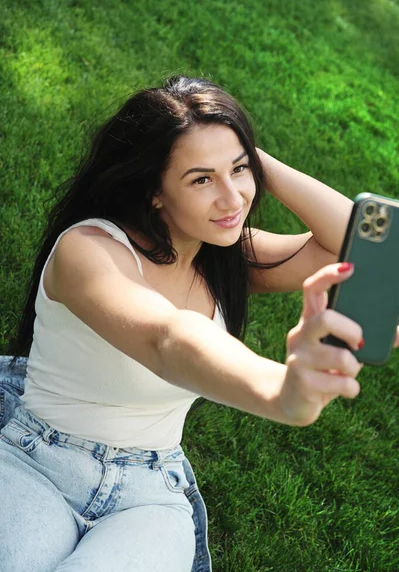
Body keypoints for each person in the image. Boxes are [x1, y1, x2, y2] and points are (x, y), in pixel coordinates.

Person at [1, 75, 397, 572]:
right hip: (37, 461)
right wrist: (282, 389)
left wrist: (246, 155)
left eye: (240, 172)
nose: (233, 200)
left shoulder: (223, 257)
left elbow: (356, 249)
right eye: (201, 179)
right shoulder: (89, 250)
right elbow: (168, 339)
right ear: (154, 192)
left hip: (149, 492)